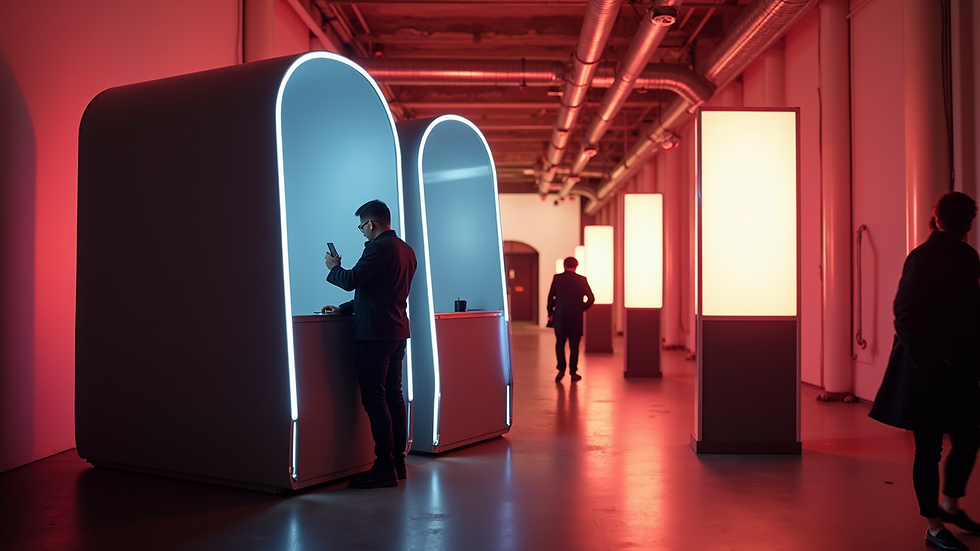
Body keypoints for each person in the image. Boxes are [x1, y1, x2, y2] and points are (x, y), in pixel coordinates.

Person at [870, 192, 980, 551]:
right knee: (932, 449)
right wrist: (932, 363)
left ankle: (946, 508)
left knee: (963, 439)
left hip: (949, 368)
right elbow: (906, 314)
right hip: (929, 371)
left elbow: (908, 312)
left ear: (935, 221)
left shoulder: (962, 257)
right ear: (968, 225)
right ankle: (934, 527)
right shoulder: (932, 257)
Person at [322, 199, 417, 489]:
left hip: (375, 335)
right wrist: (345, 309)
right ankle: (398, 462)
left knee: (375, 400)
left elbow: (352, 280)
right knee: (393, 397)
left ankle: (384, 467)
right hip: (397, 332)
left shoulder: (378, 248)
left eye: (362, 226)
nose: (362, 232)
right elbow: (378, 292)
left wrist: (334, 267)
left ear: (371, 223)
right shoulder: (405, 250)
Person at [547, 256, 594, 382]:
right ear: (576, 266)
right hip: (575, 318)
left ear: (564, 265)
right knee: (574, 346)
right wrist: (581, 308)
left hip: (560, 317)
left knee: (560, 344)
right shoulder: (581, 280)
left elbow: (551, 296)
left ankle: (561, 370)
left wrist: (550, 312)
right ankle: (573, 372)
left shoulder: (558, 279)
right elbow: (591, 298)